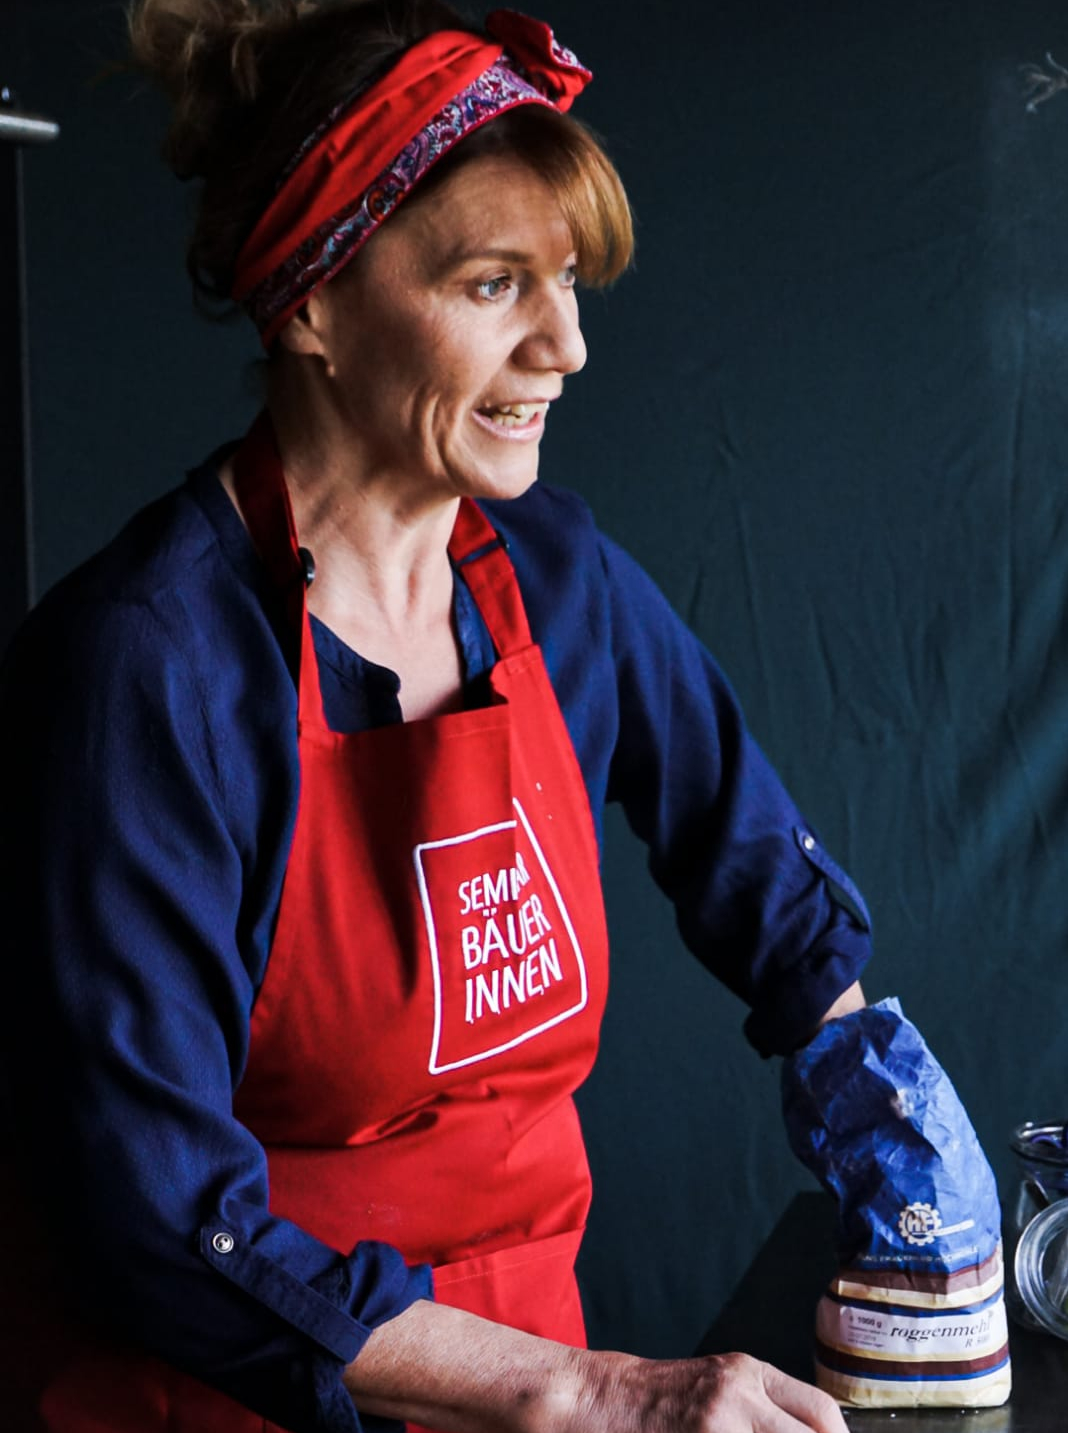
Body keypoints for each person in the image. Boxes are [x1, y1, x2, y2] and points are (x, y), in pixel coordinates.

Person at [0, 2, 872, 1430]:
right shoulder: (144, 672)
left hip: (530, 1376)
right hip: (229, 1395)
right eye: (492, 286)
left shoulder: (558, 582)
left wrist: (860, 1064)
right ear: (313, 305)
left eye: (571, 283)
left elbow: (754, 860)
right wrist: (591, 1394)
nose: (566, 347)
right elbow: (156, 1216)